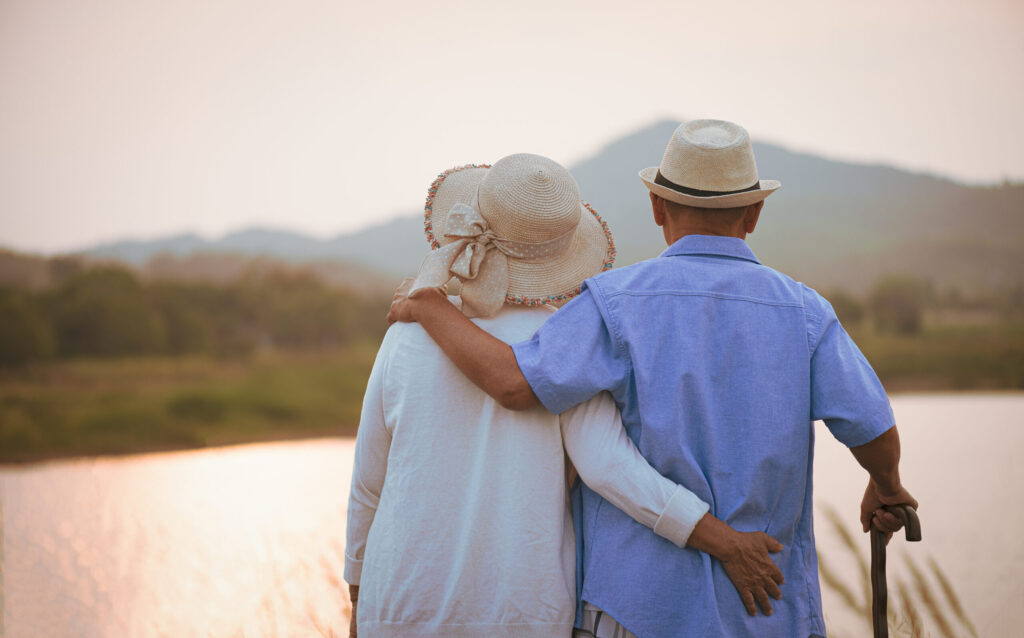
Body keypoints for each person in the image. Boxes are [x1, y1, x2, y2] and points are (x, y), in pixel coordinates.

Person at [387, 121, 919, 638]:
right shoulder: (805, 313)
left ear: (657, 206)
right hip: (764, 605)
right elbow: (870, 425)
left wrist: (430, 306)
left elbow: (513, 384)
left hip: (634, 607)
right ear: (754, 213)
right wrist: (886, 486)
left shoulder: (613, 302)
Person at [345, 153, 785, 638]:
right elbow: (613, 470)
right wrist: (723, 541)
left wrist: (360, 593)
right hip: (519, 614)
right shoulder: (563, 347)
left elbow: (369, 483)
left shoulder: (406, 333)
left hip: (397, 606)